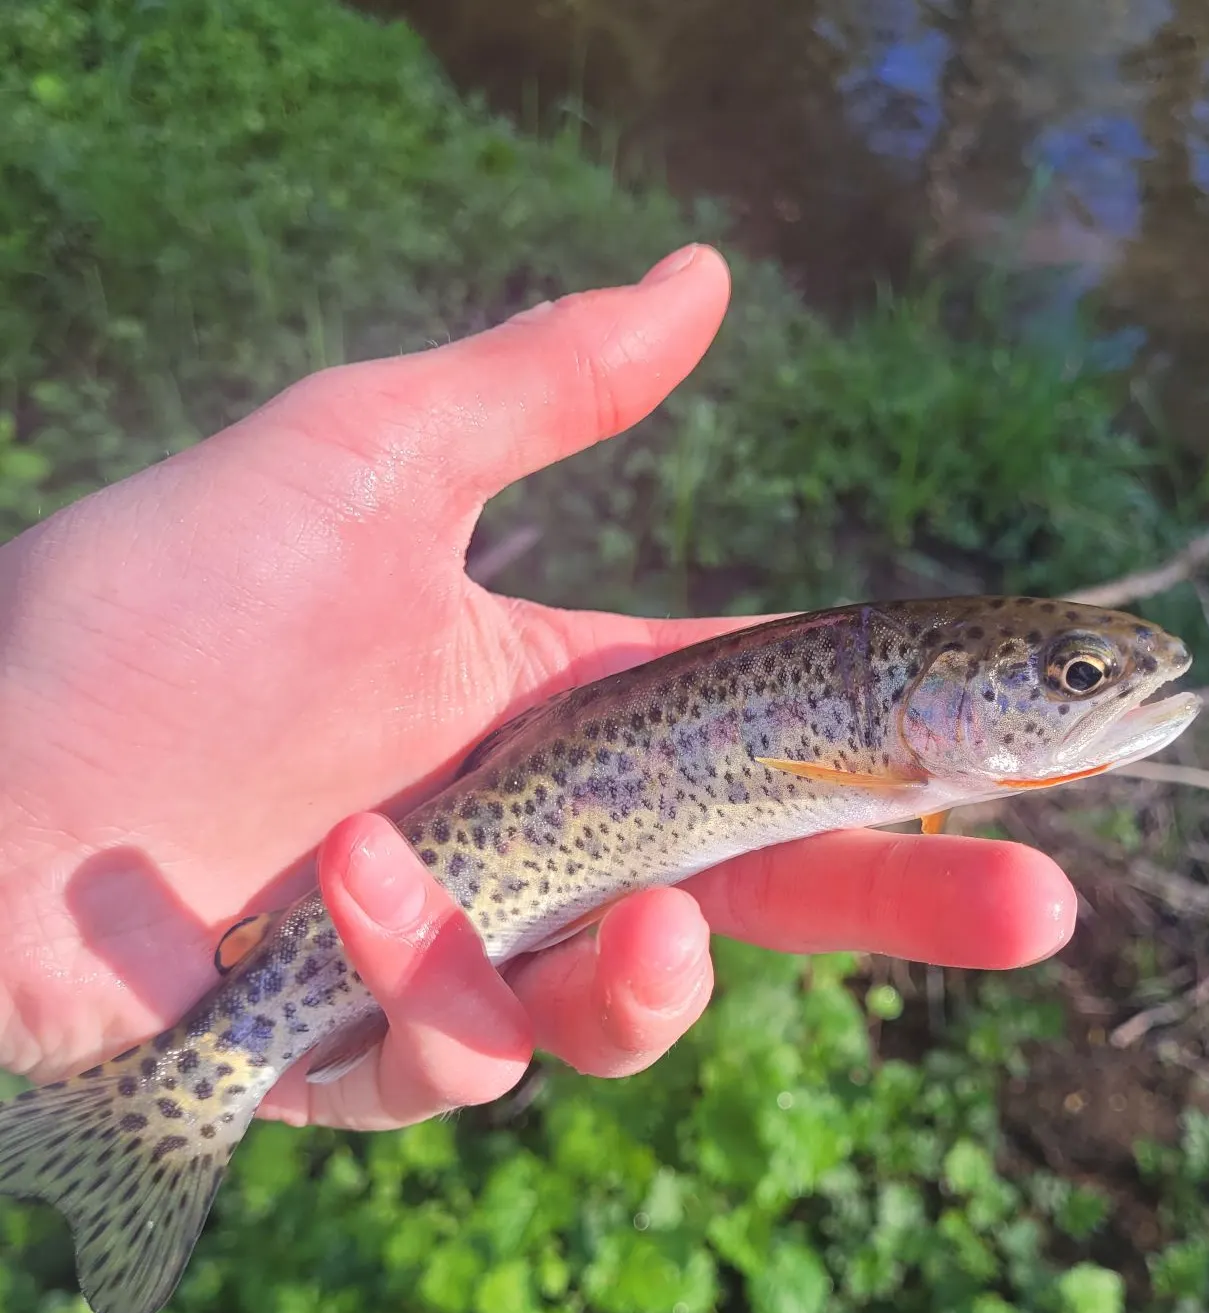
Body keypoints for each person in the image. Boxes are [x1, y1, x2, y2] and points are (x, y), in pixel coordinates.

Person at [0, 245, 1076, 1133]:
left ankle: (161, 1105)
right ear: (939, 689)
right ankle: (173, 1102)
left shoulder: (898, 760)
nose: (1100, 697)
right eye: (1075, 678)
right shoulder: (890, 758)